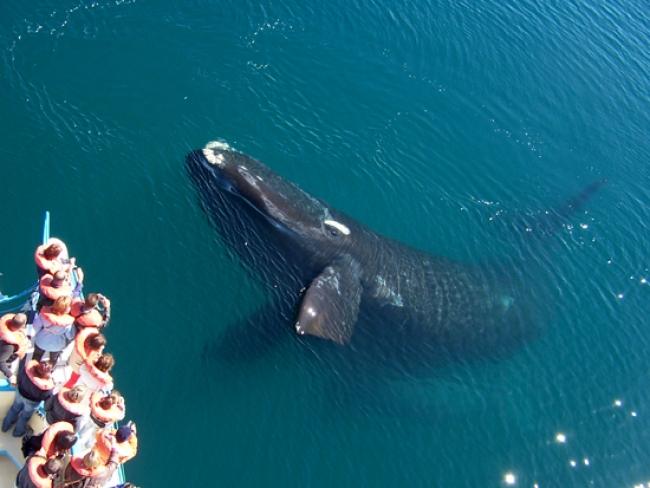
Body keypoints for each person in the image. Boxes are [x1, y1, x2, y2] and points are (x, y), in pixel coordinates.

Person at [2, 360, 54, 437]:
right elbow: (47, 398)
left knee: (14, 409)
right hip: (32, 402)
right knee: (24, 417)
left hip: (20, 394)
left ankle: (5, 427)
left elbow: (19, 378)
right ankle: (17, 432)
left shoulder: (26, 371)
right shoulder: (46, 387)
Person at [32, 296, 75, 365]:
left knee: (36, 357)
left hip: (41, 342)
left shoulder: (44, 316)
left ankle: (33, 370)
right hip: (57, 346)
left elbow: (35, 328)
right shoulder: (67, 323)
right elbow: (70, 336)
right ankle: (49, 371)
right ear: (66, 309)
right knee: (53, 359)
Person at [0, 312, 29, 385]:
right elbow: (1, 361)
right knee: (10, 368)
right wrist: (10, 375)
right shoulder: (9, 346)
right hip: (9, 358)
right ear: (22, 326)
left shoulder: (4, 324)